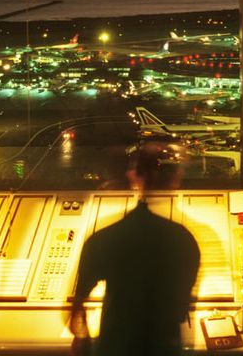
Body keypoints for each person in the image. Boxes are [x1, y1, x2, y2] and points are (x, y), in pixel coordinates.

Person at [70, 142, 201, 356]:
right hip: (163, 346)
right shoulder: (183, 239)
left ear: (134, 176)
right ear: (176, 177)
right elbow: (180, 308)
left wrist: (82, 341)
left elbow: (78, 306)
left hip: (115, 345)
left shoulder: (106, 237)